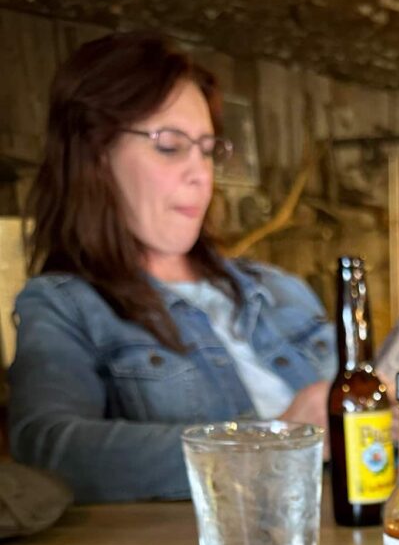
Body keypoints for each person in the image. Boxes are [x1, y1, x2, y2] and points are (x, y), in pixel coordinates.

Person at [7, 32, 334, 503]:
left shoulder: (283, 289)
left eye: (207, 148)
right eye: (170, 146)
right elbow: (50, 448)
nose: (201, 173)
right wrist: (270, 441)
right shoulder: (65, 305)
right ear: (95, 155)